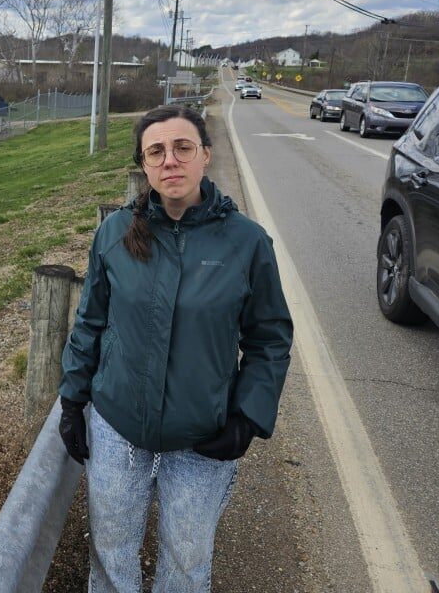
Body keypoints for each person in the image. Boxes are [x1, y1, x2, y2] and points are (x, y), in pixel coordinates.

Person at [58, 104, 293, 593]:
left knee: (186, 567)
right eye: (156, 151)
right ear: (144, 166)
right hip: (118, 426)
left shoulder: (247, 243)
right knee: (110, 556)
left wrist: (247, 417)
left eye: (183, 147)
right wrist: (72, 398)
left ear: (205, 155)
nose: (171, 161)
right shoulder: (116, 233)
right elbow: (91, 321)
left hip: (202, 439)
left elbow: (269, 338)